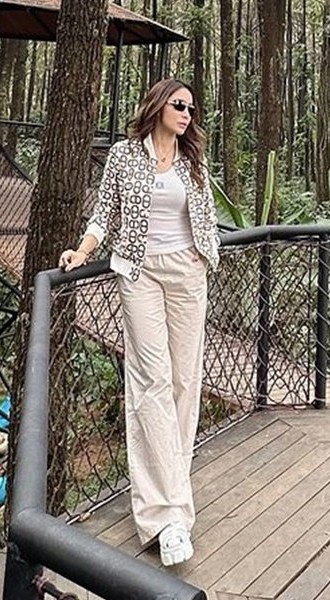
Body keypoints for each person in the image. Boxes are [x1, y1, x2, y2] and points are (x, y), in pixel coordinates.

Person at [57, 78, 219, 567]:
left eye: (191, 107)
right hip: (140, 272)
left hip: (188, 272)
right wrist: (81, 251)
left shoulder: (195, 161)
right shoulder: (125, 156)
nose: (187, 112)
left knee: (185, 384)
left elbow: (205, 215)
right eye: (179, 104)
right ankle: (166, 518)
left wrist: (200, 257)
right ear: (158, 105)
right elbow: (104, 216)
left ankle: (173, 492)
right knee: (151, 383)